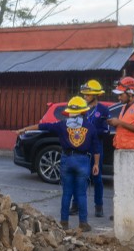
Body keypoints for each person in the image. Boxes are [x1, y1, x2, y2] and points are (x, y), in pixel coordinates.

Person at [18, 96, 101, 232]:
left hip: (67, 159)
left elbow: (42, 126)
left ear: (69, 112)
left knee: (67, 193)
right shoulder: (90, 127)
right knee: (81, 194)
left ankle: (64, 222)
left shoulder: (62, 125)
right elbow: (96, 148)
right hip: (82, 161)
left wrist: (25, 129)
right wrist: (96, 164)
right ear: (84, 111)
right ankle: (83, 223)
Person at [70, 79, 110, 218]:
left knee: (97, 178)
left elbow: (106, 131)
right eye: (84, 94)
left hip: (96, 149)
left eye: (88, 94)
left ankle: (99, 206)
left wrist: (91, 131)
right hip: (81, 149)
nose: (85, 96)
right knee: (78, 177)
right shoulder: (81, 108)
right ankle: (75, 205)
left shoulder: (103, 110)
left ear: (95, 95)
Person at [107, 76, 134, 151]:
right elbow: (125, 126)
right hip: (123, 149)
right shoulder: (124, 107)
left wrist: (119, 122)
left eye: (121, 95)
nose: (119, 98)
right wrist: (115, 124)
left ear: (130, 94)